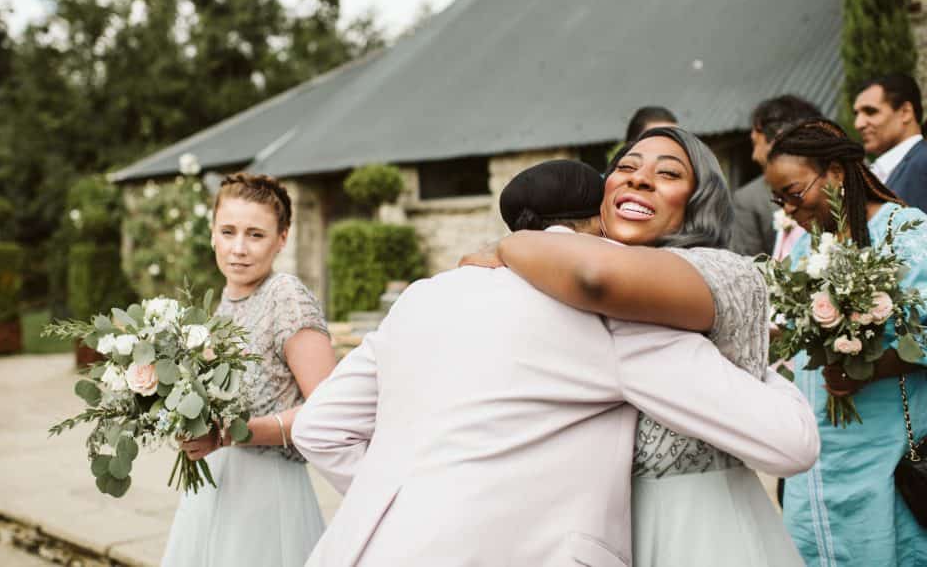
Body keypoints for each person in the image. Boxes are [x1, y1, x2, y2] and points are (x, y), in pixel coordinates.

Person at [293, 157, 819, 567]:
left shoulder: (423, 296)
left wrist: (412, 507)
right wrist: (738, 349)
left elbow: (318, 428)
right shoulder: (610, 315)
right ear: (601, 222)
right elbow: (789, 441)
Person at [471, 127, 804, 565]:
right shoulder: (558, 276)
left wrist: (513, 244)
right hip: (593, 533)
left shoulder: (722, 271)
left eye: (668, 173)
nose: (639, 178)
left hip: (701, 531)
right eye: (625, 167)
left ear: (698, 201)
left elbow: (598, 279)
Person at [764, 119, 927, 567]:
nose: (789, 210)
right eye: (779, 201)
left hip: (886, 451)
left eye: (794, 193)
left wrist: (870, 367)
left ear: (835, 172)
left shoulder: (905, 232)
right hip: (820, 457)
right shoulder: (808, 246)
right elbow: (798, 333)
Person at [161, 173, 337, 567]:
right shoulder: (220, 307)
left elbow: (330, 409)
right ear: (212, 234)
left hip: (267, 496)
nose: (238, 248)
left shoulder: (286, 297)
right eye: (228, 232)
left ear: (282, 238)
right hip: (212, 487)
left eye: (255, 235)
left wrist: (229, 435)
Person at [731, 95, 823, 257]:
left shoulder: (849, 182)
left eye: (755, 143)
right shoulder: (749, 199)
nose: (753, 156)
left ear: (778, 138)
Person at [854, 73, 927, 211]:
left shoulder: (922, 163)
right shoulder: (878, 172)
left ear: (905, 112)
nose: (858, 124)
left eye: (870, 111)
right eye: (856, 114)